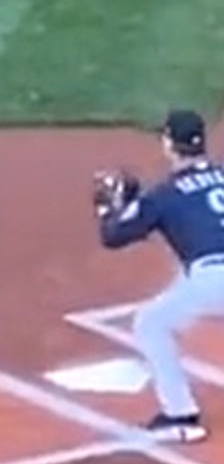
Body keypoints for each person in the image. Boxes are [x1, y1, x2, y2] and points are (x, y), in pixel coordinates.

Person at [95, 108, 224, 443]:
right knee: (184, 283)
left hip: (214, 279)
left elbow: (114, 237)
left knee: (150, 323)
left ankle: (181, 415)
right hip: (208, 275)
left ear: (169, 143)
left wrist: (111, 208)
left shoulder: (164, 195)